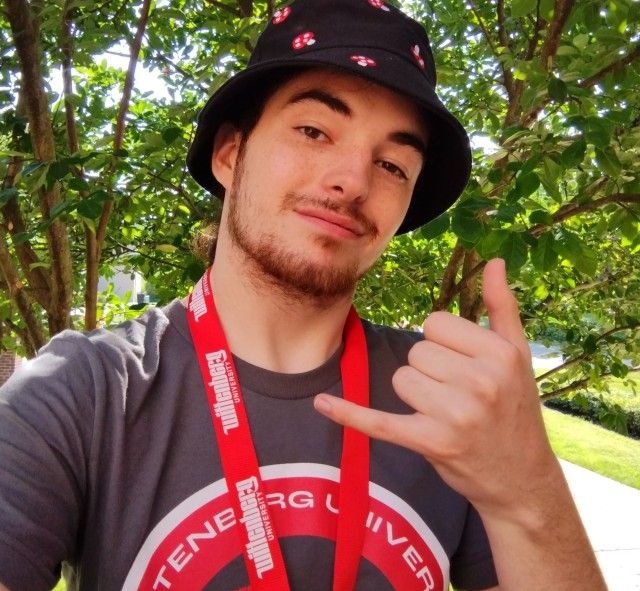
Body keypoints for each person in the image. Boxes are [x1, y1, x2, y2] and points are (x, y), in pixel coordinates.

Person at [0, 0, 606, 590]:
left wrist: (530, 489)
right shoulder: (79, 393)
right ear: (230, 155)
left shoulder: (449, 402)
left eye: (393, 165)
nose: (353, 181)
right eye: (314, 130)